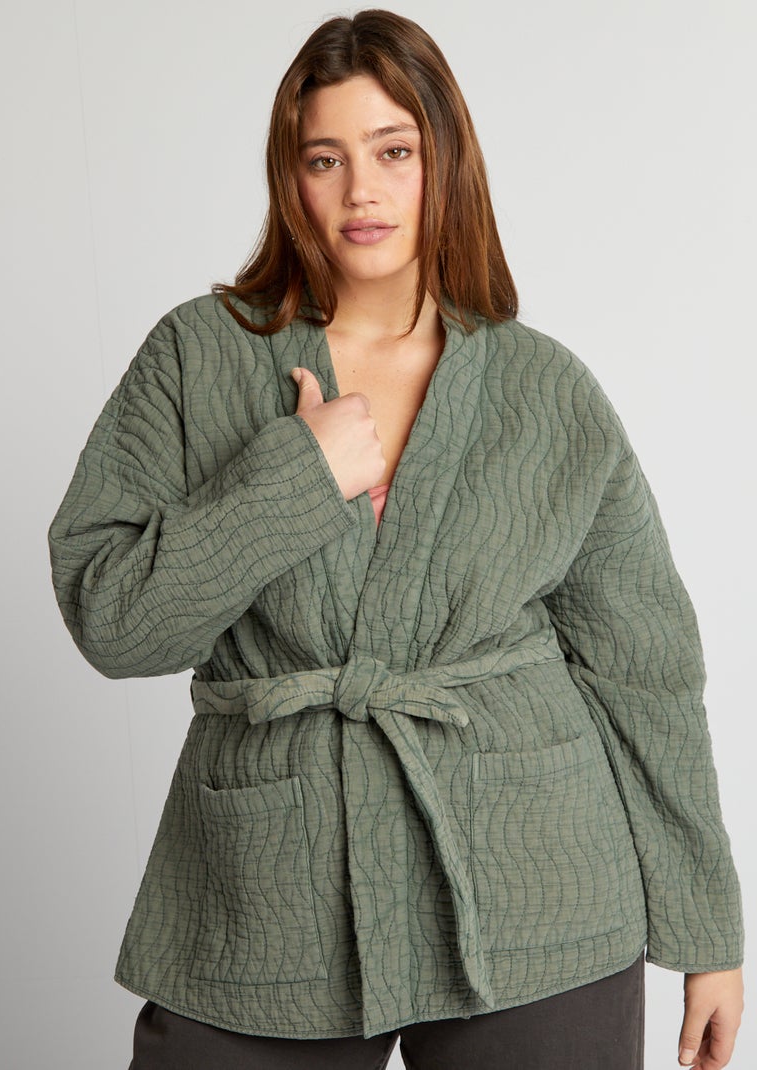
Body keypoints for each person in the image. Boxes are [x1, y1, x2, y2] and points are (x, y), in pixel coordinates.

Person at [48, 9, 744, 1069]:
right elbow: (111, 617)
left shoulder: (545, 388)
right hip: (269, 892)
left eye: (393, 152)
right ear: (290, 176)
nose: (360, 192)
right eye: (324, 158)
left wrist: (707, 933)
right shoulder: (197, 356)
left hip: (536, 890)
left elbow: (644, 668)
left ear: (443, 163)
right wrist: (294, 477)